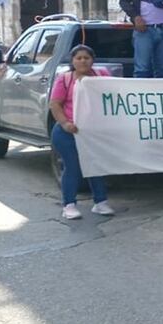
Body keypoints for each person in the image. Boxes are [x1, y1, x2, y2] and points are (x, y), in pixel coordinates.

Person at [49, 45, 115, 220]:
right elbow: (55, 104)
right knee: (73, 166)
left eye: (86, 57)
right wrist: (65, 123)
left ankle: (100, 202)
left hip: (94, 133)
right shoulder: (64, 79)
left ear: (92, 60)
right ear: (72, 61)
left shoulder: (102, 76)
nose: (83, 61)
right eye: (79, 58)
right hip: (68, 132)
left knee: (96, 165)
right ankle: (69, 204)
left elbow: (114, 96)